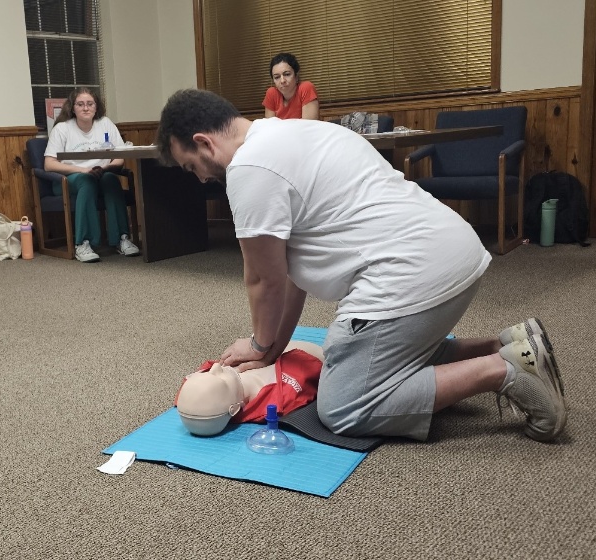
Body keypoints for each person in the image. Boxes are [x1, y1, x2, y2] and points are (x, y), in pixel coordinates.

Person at [156, 89, 567, 442]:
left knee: (343, 405)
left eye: (192, 166)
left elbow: (265, 280)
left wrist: (259, 345)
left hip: (414, 275)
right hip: (453, 253)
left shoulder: (248, 168)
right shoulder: (297, 130)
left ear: (204, 143)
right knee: (349, 352)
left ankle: (503, 370)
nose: (200, 178)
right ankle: (507, 343)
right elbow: (290, 278)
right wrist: (274, 347)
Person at [43, 88, 140, 263]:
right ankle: (83, 243)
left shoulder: (105, 123)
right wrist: (83, 170)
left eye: (90, 104)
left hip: (101, 174)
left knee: (111, 179)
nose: (85, 108)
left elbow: (119, 158)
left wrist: (105, 169)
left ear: (96, 107)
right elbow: (49, 164)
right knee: (87, 182)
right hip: (68, 179)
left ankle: (122, 238)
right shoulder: (62, 128)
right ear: (73, 108)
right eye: (80, 104)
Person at [175, 341, 323, 436]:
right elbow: (309, 366)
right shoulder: (281, 394)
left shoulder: (202, 389)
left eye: (207, 373)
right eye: (221, 380)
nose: (215, 367)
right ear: (236, 408)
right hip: (307, 354)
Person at [262, 53, 319, 120]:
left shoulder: (306, 88)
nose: (282, 81)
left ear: (296, 76)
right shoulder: (271, 93)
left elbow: (309, 126)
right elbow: (270, 128)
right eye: (277, 77)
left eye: (287, 74)